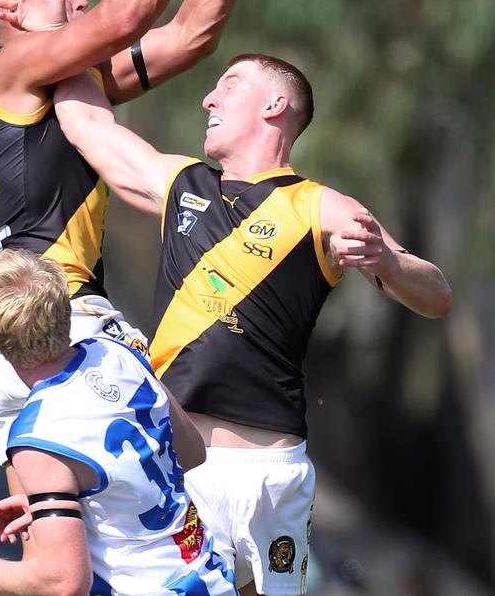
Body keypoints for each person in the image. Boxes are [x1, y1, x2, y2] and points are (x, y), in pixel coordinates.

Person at [53, 53, 453, 596]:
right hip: (182, 470)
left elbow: (436, 296)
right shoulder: (181, 184)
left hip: (271, 478)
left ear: (274, 105)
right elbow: (87, 126)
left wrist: (385, 258)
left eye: (229, 85)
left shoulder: (319, 208)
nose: (208, 99)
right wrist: (55, 41)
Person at [0, 0, 272, 483]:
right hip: (58, 316)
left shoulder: (77, 81)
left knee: (66, 550)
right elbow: (120, 19)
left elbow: (192, 35)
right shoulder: (10, 69)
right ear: (9, 5)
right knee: (187, 487)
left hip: (21, 333)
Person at [0, 248, 237, 596]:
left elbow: (65, 583)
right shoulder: (117, 354)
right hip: (210, 579)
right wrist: (62, 500)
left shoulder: (37, 436)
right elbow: (189, 453)